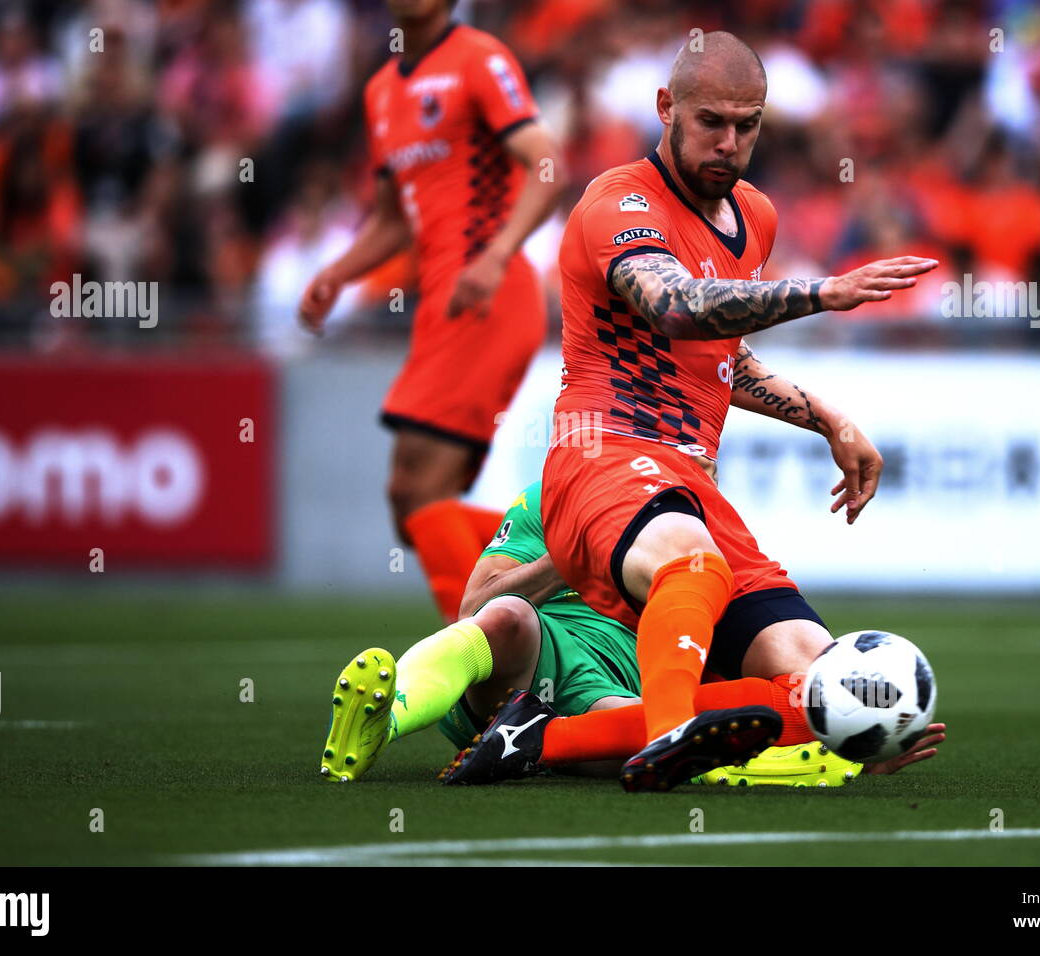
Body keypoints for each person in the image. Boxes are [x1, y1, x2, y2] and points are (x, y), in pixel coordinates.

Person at [535, 31, 937, 790]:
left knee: (820, 682)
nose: (729, 142)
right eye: (711, 121)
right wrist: (822, 292)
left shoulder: (754, 215)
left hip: (691, 481)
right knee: (692, 559)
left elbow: (722, 356)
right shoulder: (617, 203)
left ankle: (544, 737)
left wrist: (826, 416)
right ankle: (666, 743)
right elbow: (677, 307)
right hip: (602, 458)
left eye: (747, 126)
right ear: (666, 109)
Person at [320, 481, 945, 787]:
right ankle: (386, 715)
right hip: (538, 647)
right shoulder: (551, 499)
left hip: (617, 679)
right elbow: (473, 606)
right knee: (505, 619)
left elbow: (757, 649)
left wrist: (836, 725)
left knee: (643, 725)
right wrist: (573, 555)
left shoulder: (696, 529)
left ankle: (802, 762)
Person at [297, 0, 566, 621]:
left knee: (420, 491)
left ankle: (481, 666)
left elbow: (548, 163)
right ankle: (574, 561)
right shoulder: (382, 92)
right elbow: (395, 218)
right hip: (441, 306)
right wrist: (337, 274)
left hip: (488, 298)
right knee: (410, 504)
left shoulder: (478, 58)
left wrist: (499, 253)